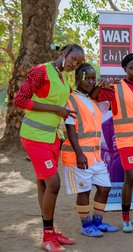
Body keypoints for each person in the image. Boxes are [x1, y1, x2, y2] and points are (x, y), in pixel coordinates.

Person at [14, 44, 85, 251]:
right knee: (53, 183)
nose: (74, 65)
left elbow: (74, 98)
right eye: (73, 59)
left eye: (78, 63)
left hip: (52, 138)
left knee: (44, 185)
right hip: (34, 136)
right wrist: (56, 109)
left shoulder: (63, 79)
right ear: (65, 52)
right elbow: (20, 100)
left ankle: (50, 232)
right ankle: (47, 238)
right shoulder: (40, 71)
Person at [97, 53, 133, 233]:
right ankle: (125, 217)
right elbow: (95, 96)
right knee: (129, 177)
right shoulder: (115, 88)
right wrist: (98, 86)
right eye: (132, 68)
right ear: (125, 69)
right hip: (125, 142)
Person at [61, 63, 118, 238]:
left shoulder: (91, 100)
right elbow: (70, 127)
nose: (90, 81)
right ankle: (86, 226)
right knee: (84, 191)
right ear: (77, 78)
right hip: (78, 156)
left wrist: (100, 88)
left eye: (93, 78)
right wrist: (79, 154)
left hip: (95, 156)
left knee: (104, 187)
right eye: (87, 78)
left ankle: (98, 222)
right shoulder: (71, 99)